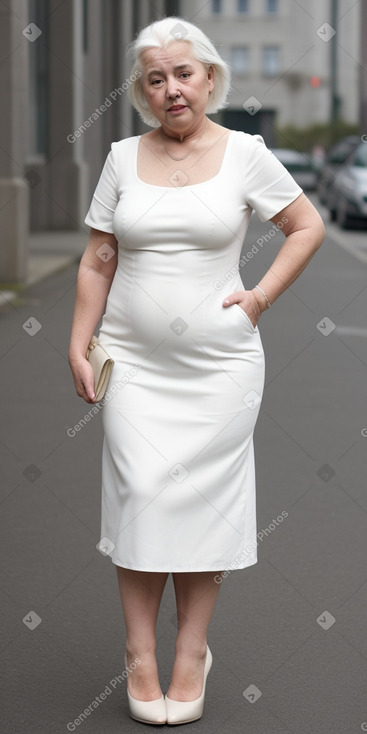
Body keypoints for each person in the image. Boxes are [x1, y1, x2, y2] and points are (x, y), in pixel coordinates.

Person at [68, 15, 325, 726]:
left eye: (183, 73)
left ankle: (191, 653)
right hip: (135, 364)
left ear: (210, 78)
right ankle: (139, 653)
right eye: (156, 78)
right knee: (142, 493)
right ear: (142, 92)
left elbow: (305, 226)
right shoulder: (121, 157)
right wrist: (76, 340)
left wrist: (258, 298)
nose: (171, 88)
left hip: (219, 366)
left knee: (202, 504)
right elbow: (98, 258)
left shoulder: (245, 153)